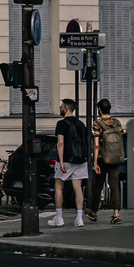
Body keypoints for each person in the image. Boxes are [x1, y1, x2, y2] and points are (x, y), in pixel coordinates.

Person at [48, 98, 88, 228]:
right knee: (78, 187)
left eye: (61, 106)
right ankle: (79, 218)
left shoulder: (61, 124)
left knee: (59, 186)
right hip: (81, 160)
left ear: (65, 108)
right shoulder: (81, 124)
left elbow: (61, 143)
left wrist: (60, 161)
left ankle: (59, 217)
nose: (60, 108)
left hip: (66, 159)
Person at [87, 98, 123, 225]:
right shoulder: (117, 122)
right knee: (114, 185)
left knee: (98, 185)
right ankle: (116, 215)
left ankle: (94, 213)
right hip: (115, 158)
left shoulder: (97, 123)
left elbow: (96, 145)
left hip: (103, 158)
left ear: (100, 110)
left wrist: (95, 162)